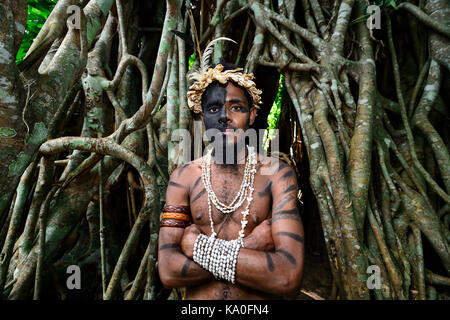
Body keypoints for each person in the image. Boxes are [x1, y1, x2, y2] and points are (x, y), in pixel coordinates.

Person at [157, 60, 304, 300]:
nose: (225, 117)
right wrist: (252, 246)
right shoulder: (183, 178)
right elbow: (168, 271)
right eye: (214, 109)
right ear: (203, 117)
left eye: (236, 107)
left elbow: (287, 277)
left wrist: (196, 247)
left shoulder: (276, 176)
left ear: (253, 115)